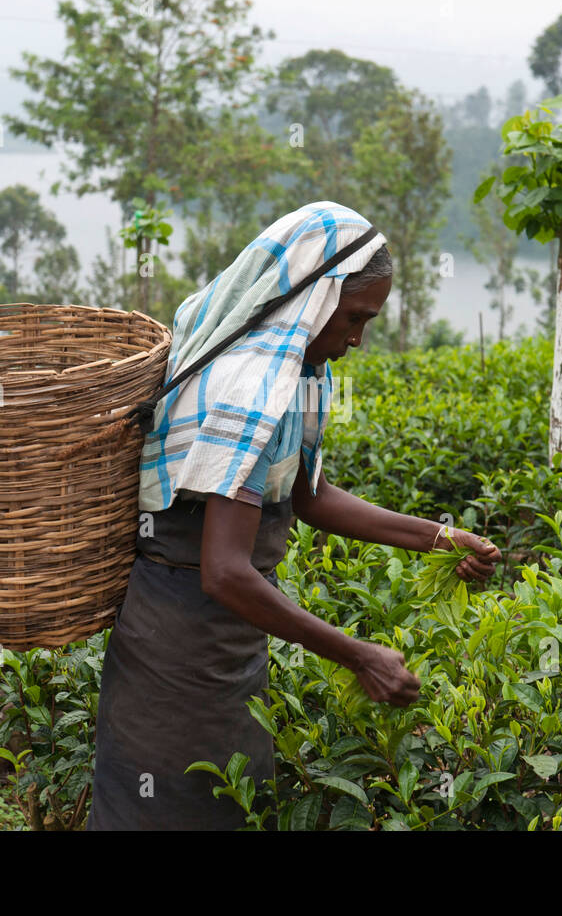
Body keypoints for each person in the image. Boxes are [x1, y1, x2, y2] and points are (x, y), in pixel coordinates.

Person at [85, 201, 501, 830]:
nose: (357, 339)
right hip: (178, 648)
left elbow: (308, 495)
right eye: (355, 317)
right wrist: (359, 655)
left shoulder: (297, 370)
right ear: (313, 296)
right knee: (172, 807)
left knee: (231, 802)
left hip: (223, 638)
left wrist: (441, 538)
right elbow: (223, 572)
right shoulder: (253, 385)